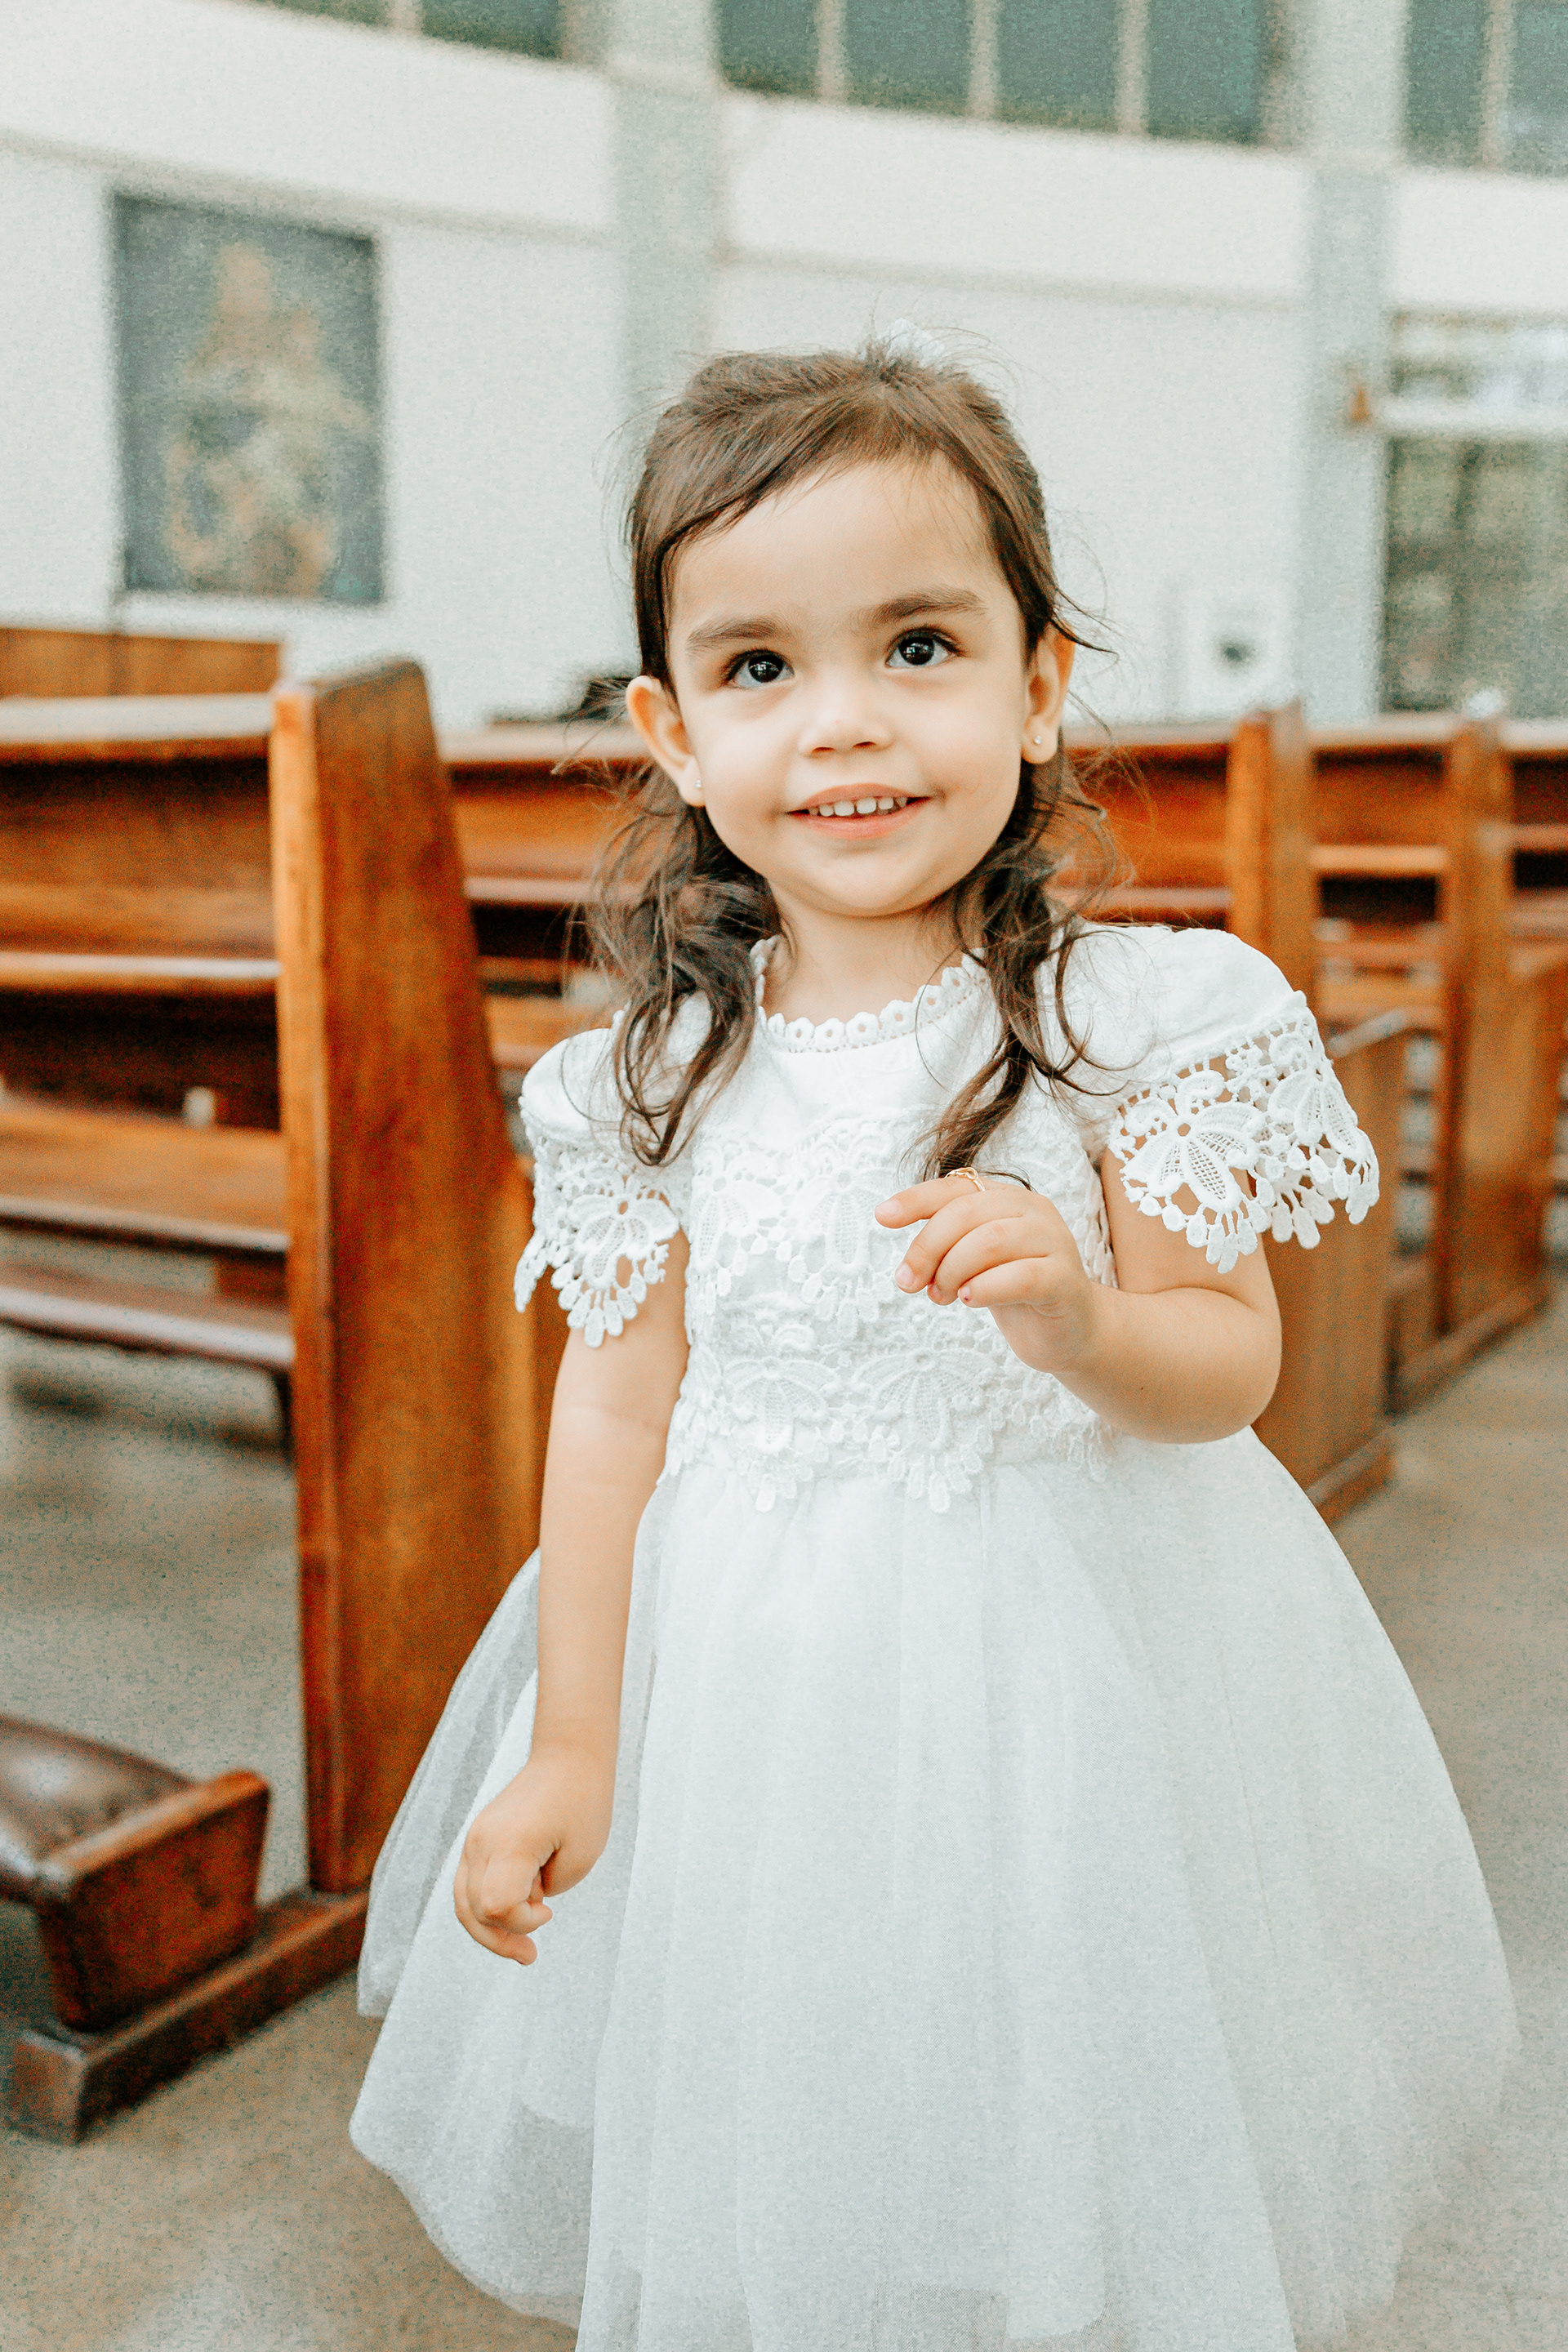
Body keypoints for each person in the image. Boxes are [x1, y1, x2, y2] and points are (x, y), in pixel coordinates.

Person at [350, 336, 1518, 2351]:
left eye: (916, 645)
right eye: (761, 667)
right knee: (794, 2069)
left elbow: (1228, 1369)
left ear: (1037, 682)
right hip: (751, 1686)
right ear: (671, 732)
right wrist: (575, 1742)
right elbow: (615, 1414)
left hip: (1066, 1662)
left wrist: (1077, 1316)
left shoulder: (1137, 1023)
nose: (847, 724)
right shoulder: (643, 1079)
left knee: (1042, 2072)